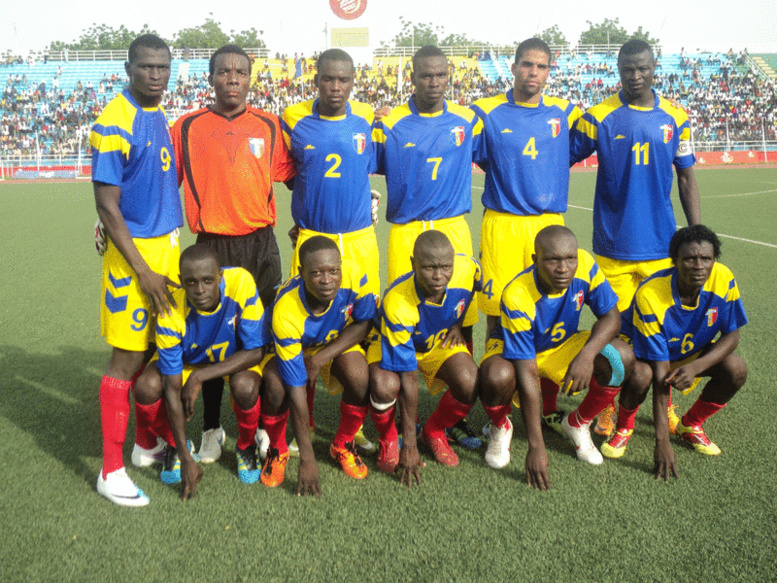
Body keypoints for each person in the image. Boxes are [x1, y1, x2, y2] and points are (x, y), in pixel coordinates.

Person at [171, 44, 296, 465]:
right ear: (210, 78)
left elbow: (297, 178)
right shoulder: (186, 127)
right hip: (211, 247)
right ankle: (211, 428)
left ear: (249, 78)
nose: (232, 79)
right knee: (211, 341)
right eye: (223, 71)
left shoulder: (270, 125)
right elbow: (160, 183)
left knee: (262, 337)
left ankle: (264, 424)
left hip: (260, 244)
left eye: (240, 72)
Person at [570, 39, 701, 436]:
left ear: (654, 66)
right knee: (617, 337)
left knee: (661, 334)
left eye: (642, 68)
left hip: (662, 247)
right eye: (628, 68)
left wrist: (694, 233)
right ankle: (607, 406)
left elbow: (686, 176)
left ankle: (667, 406)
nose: (635, 75)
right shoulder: (599, 116)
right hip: (613, 248)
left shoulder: (676, 116)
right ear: (618, 69)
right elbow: (561, 155)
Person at [470, 37, 582, 436]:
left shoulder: (566, 113)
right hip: (502, 224)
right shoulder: (484, 112)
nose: (533, 72)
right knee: (499, 312)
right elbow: (471, 150)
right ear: (513, 67)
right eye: (526, 65)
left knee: (550, 310)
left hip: (548, 223)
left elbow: (583, 145)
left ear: (550, 71)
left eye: (542, 66)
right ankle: (497, 415)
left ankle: (547, 406)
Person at [90, 34, 183, 506]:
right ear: (128, 68)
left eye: (163, 67)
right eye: (146, 67)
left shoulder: (157, 111)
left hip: (164, 248)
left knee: (153, 349)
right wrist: (142, 268)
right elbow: (107, 205)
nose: (155, 75)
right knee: (125, 360)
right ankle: (110, 470)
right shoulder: (114, 120)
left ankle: (146, 445)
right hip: (135, 261)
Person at [478, 226, 637, 490]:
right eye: (553, 260)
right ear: (535, 260)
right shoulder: (517, 293)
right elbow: (528, 372)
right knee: (495, 376)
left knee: (620, 356)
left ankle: (577, 423)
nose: (564, 268)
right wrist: (536, 446)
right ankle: (500, 426)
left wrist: (586, 355)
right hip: (516, 353)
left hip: (561, 346)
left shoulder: (585, 264)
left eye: (570, 259)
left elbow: (612, 318)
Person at [280, 49, 380, 455]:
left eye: (343, 80)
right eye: (327, 79)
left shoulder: (368, 116)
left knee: (363, 322)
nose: (335, 87)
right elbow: (290, 173)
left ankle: (352, 427)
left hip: (359, 240)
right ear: (315, 79)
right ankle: (302, 414)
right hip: (313, 240)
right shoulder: (292, 119)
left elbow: (366, 168)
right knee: (302, 329)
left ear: (354, 81)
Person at [601, 226, 748, 479]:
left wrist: (695, 367)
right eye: (690, 258)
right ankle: (624, 427)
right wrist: (661, 442)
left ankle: (689, 425)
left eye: (706, 259)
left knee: (736, 369)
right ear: (675, 261)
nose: (699, 265)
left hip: (686, 351)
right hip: (642, 353)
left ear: (714, 260)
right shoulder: (652, 294)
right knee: (642, 376)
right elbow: (662, 373)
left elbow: (732, 335)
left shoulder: (723, 278)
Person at [132, 245, 270, 499]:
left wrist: (199, 378)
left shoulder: (240, 282)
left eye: (208, 280)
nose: (200, 290)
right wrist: (185, 458)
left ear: (220, 276)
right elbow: (172, 388)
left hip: (231, 358)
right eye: (191, 282)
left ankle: (245, 445)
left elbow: (256, 351)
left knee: (246, 387)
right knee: (146, 387)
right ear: (181, 282)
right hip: (187, 363)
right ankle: (175, 444)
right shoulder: (170, 308)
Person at [260, 236, 377, 496]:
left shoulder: (354, 274)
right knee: (276, 386)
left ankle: (343, 444)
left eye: (333, 271)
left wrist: (320, 359)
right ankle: (277, 450)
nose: (327, 280)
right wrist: (307, 459)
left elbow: (363, 322)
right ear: (301, 273)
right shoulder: (286, 310)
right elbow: (296, 388)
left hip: (331, 343)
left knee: (360, 376)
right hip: (294, 346)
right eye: (317, 273)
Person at [368, 231, 482, 481]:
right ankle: (389, 439)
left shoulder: (466, 267)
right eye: (429, 267)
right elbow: (409, 378)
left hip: (434, 342)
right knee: (385, 385)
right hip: (392, 339)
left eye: (445, 266)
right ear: (413, 264)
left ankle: (434, 431)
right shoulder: (398, 301)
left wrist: (459, 324)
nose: (439, 275)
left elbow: (475, 283)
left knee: (470, 380)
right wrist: (409, 447)